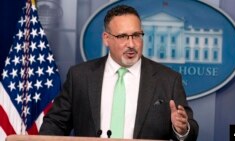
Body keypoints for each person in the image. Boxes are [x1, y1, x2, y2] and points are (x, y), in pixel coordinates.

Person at [39, 4, 199, 141]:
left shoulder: (168, 80)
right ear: (106, 38)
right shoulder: (80, 76)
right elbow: (56, 124)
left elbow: (189, 131)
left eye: (136, 35)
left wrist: (181, 129)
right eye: (123, 36)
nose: (131, 44)